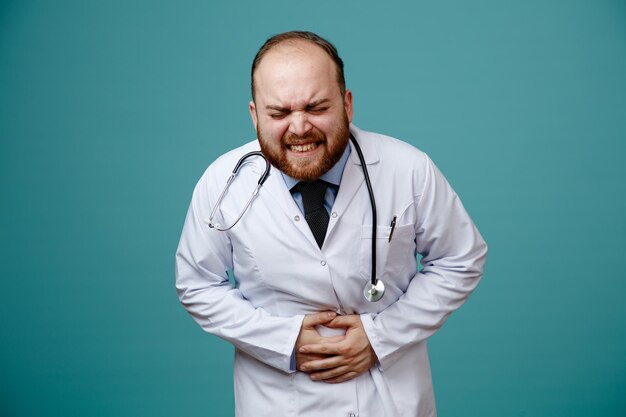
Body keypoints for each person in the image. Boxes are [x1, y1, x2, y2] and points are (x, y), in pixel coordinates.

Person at [176, 30, 487, 417]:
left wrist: (380, 337)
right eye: (279, 113)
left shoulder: (407, 168)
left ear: (347, 104)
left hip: (390, 402)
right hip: (276, 402)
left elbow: (461, 258)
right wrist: (283, 341)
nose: (300, 127)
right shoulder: (223, 182)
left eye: (317, 107)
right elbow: (197, 284)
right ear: (255, 114)